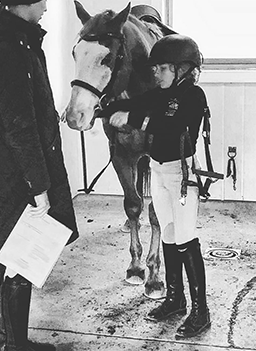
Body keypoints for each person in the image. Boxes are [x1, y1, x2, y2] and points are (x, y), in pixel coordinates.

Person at [0, 0, 79, 351]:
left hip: (16, 168)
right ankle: (14, 344)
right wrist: (39, 186)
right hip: (21, 173)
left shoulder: (16, 41)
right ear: (23, 1)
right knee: (22, 256)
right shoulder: (9, 50)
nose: (46, 6)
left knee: (12, 251)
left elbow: (27, 112)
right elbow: (18, 127)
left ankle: (6, 336)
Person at [101, 34, 211, 339]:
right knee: (170, 234)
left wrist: (134, 118)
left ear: (183, 69)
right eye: (157, 68)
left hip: (181, 175)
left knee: (187, 239)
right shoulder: (162, 93)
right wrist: (100, 111)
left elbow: (171, 124)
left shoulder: (193, 96)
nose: (156, 74)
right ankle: (175, 299)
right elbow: (136, 102)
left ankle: (201, 311)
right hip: (160, 172)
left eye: (163, 68)